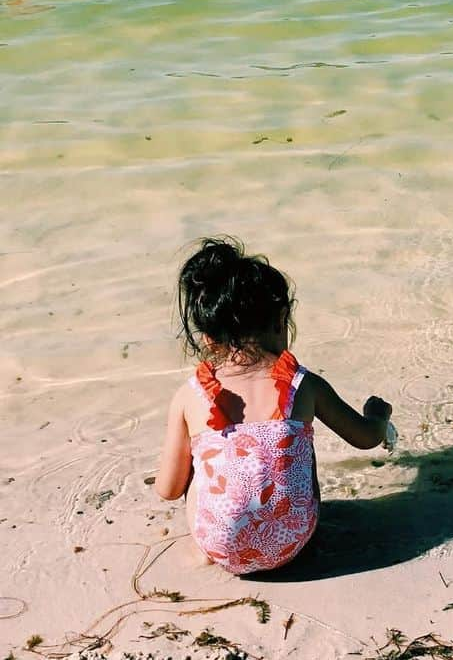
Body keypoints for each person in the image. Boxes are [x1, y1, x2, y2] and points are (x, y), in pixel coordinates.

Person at [154, 238, 394, 574]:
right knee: (294, 440)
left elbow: (168, 490)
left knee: (205, 457)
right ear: (281, 321)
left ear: (207, 337)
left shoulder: (189, 395)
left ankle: (207, 550)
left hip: (223, 548)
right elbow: (366, 438)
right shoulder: (303, 385)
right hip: (293, 542)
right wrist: (379, 417)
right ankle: (287, 528)